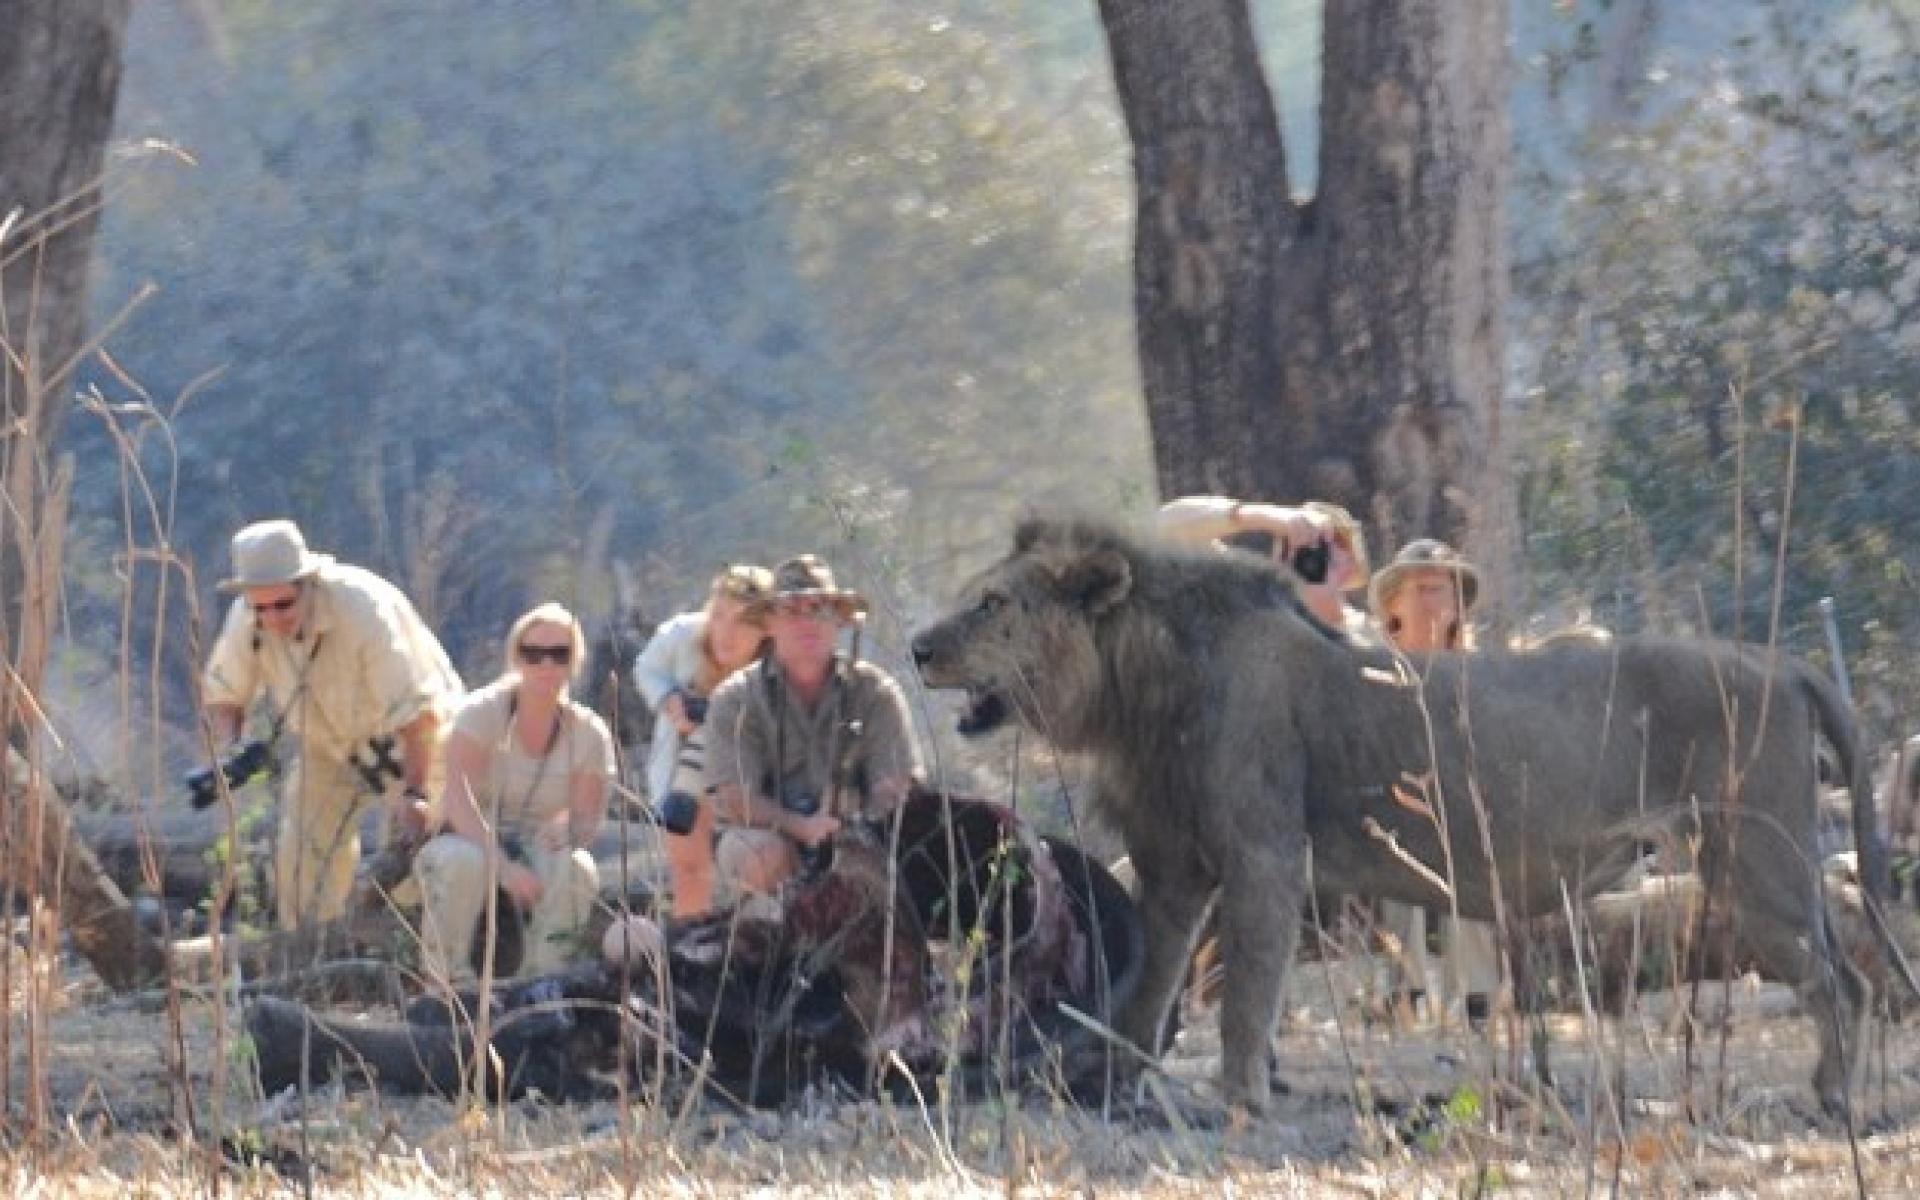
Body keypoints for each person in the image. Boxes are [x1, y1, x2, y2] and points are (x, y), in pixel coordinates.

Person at [202, 519, 462, 931]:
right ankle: (309, 958)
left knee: (418, 865)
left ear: (308, 585)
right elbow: (223, 691)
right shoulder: (247, 614)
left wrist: (414, 794)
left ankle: (419, 968)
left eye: (283, 605)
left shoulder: (362, 607)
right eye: (261, 607)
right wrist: (230, 749)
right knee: (301, 855)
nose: (271, 618)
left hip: (413, 743)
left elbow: (418, 711)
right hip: (327, 745)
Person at [414, 603, 617, 983]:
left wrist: (568, 827)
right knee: (464, 862)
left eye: (559, 654)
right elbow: (459, 803)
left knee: (577, 869)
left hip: (536, 843)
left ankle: (544, 981)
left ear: (574, 661)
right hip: (466, 836)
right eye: (532, 654)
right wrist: (505, 869)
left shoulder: (589, 733)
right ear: (515, 657)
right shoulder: (480, 714)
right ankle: (446, 984)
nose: (545, 665)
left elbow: (588, 818)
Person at [703, 555, 922, 899]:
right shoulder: (735, 699)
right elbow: (734, 798)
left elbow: (895, 786)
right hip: (768, 841)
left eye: (819, 608)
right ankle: (769, 940)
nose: (807, 622)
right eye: (791, 610)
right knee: (758, 854)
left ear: (838, 620)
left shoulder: (876, 692)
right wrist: (803, 828)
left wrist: (852, 830)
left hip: (861, 841)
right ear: (769, 623)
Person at [1370, 537, 1502, 1027]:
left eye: (1442, 589)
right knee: (1396, 881)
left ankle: (1478, 1003)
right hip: (1394, 805)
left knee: (1467, 884)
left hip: (1463, 805)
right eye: (1420, 589)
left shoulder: (1479, 672)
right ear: (1394, 604)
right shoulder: (1375, 669)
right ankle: (1403, 997)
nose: (1432, 600)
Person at [632, 564, 775, 918]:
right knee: (687, 865)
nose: (727, 632)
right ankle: (690, 939)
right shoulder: (682, 635)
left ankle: (752, 943)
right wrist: (669, 699)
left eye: (743, 621)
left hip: (749, 776)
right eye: (720, 615)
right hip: (683, 772)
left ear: (765, 629)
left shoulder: (777, 665)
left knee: (754, 863)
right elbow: (646, 667)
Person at [1156, 495, 1375, 641]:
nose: (1306, 556)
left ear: (1348, 564)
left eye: (1323, 547)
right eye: (1291, 543)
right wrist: (1261, 518)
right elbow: (1162, 529)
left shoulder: (1373, 637)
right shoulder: (1253, 605)